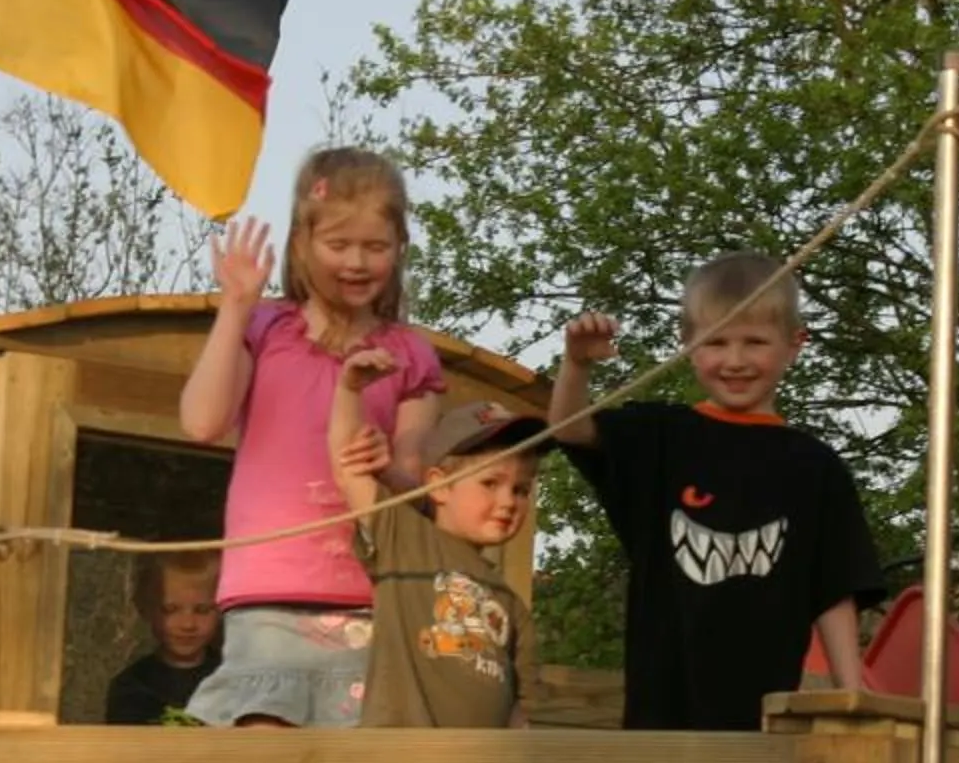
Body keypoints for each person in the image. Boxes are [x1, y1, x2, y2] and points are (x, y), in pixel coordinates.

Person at [548, 253, 884, 731]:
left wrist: (850, 688)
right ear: (688, 344)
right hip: (662, 713)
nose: (735, 360)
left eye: (755, 342)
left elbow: (835, 585)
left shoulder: (814, 465)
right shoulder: (659, 436)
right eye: (718, 341)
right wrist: (576, 364)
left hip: (766, 717)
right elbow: (569, 430)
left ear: (794, 345)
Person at [176, 146, 445, 728]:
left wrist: (386, 468)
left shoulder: (411, 355)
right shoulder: (267, 329)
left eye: (374, 246)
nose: (356, 262)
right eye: (338, 245)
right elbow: (201, 421)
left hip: (369, 597)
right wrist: (235, 306)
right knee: (261, 747)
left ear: (399, 250)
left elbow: (415, 478)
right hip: (266, 596)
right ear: (302, 244)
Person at [331, 363, 541, 728]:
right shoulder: (406, 538)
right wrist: (350, 390)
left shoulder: (511, 603)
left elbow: (523, 714)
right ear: (440, 486)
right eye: (491, 483)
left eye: (521, 490)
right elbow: (349, 465)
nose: (509, 501)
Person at [101, 553, 222, 724]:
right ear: (145, 608)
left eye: (202, 610)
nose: (188, 624)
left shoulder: (235, 680)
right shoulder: (131, 687)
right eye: (170, 609)